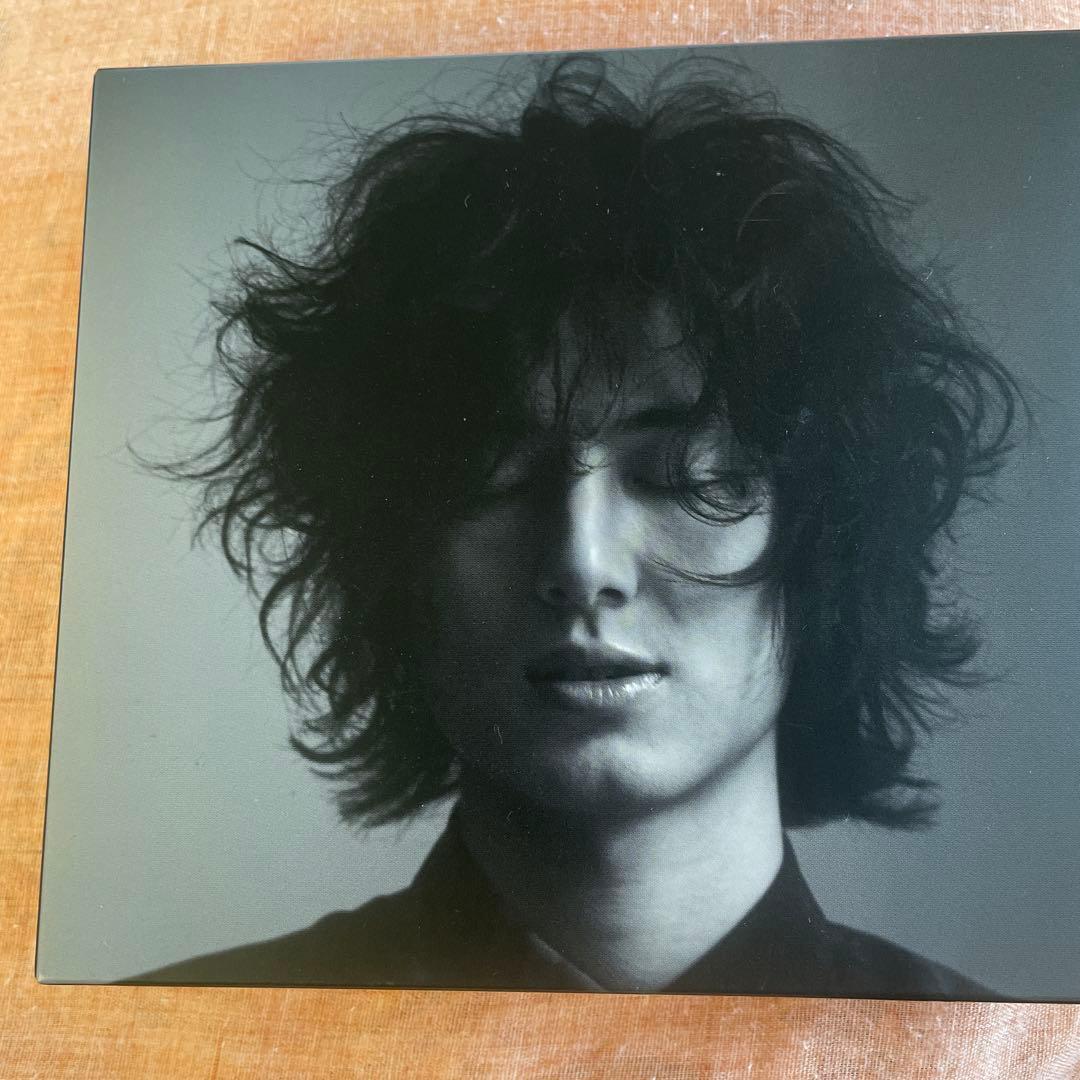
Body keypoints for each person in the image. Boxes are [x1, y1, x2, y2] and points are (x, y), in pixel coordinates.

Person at [134, 55, 1021, 997]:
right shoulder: (176, 1040)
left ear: (826, 544)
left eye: (684, 475)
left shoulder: (1009, 1055)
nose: (583, 563)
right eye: (494, 476)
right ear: (392, 556)